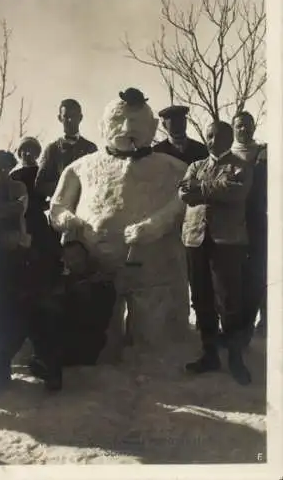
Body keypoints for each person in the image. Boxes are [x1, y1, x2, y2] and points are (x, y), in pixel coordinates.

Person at [49, 87, 189, 362]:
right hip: (97, 265)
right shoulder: (80, 167)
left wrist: (156, 224)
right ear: (103, 126)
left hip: (153, 269)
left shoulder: (173, 167)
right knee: (101, 333)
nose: (126, 129)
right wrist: (68, 220)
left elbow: (184, 202)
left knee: (155, 339)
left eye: (135, 122)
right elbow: (57, 206)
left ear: (152, 126)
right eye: (118, 121)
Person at [178, 121, 253, 385]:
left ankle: (235, 358)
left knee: (229, 301)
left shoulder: (240, 165)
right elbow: (184, 193)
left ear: (230, 138)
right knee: (201, 298)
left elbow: (236, 193)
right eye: (209, 135)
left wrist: (203, 189)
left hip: (227, 241)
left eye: (218, 136)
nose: (212, 140)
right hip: (195, 239)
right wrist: (213, 188)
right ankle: (209, 353)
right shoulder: (195, 166)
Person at [29, 240, 117, 391]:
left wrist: (80, 295)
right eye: (69, 258)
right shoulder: (65, 281)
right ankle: (49, 366)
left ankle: (51, 369)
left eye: (77, 256)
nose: (74, 262)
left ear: (86, 257)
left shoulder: (100, 282)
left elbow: (99, 318)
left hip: (87, 342)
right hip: (64, 338)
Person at [0, 150, 32, 393]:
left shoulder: (18, 187)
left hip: (13, 256)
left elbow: (19, 209)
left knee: (9, 309)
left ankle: (3, 365)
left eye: (7, 165)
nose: (2, 169)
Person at [231, 111, 267, 342]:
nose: (243, 130)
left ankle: (257, 323)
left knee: (257, 273)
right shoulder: (226, 154)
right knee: (233, 276)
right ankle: (234, 327)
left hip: (258, 220)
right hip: (230, 222)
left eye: (247, 125)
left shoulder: (264, 153)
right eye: (239, 126)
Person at [35, 99, 97, 199]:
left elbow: (97, 180)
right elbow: (40, 185)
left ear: (80, 118)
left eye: (74, 116)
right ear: (60, 118)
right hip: (60, 208)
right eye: (66, 116)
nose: (70, 120)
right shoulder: (52, 149)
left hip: (85, 207)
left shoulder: (90, 148)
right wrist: (64, 186)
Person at [10, 136, 60, 258]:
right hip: (20, 222)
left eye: (31, 150)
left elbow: (55, 193)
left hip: (39, 220)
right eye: (24, 150)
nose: (27, 153)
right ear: (20, 154)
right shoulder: (14, 176)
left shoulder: (43, 172)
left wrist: (48, 205)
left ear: (37, 154)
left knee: (44, 253)